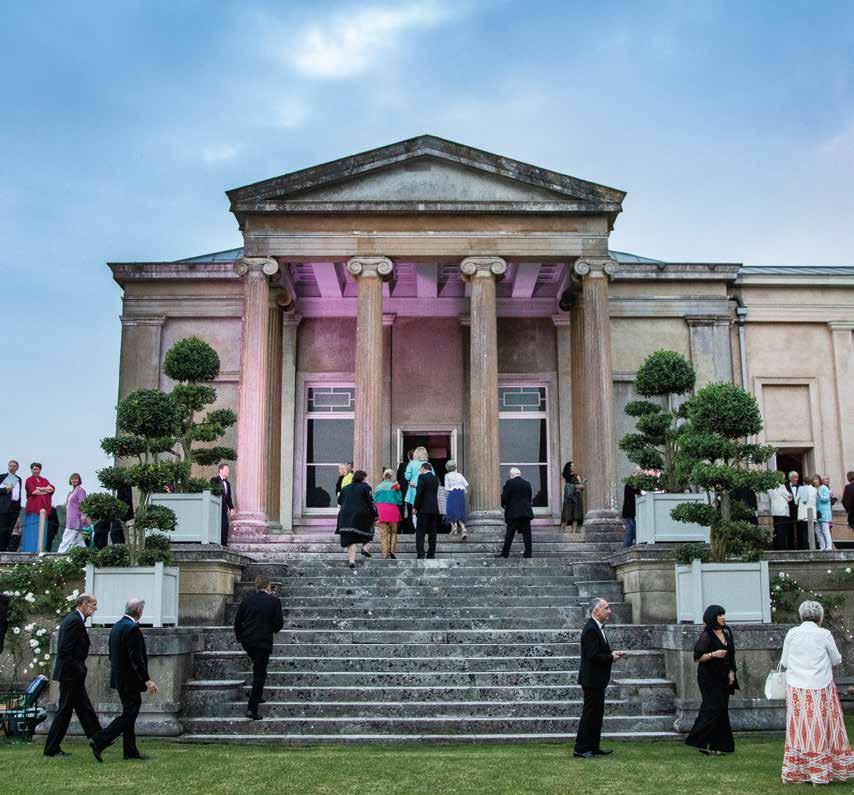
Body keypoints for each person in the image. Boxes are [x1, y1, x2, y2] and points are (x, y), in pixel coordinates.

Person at [780, 600, 853, 784]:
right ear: (820, 617)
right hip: (821, 686)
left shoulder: (792, 633)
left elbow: (785, 661)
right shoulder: (824, 634)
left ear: (801, 615)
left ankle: (798, 771)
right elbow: (836, 659)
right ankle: (822, 771)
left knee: (799, 728)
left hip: (797, 688)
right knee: (823, 726)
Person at [89, 598, 157, 762]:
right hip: (130, 679)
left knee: (129, 713)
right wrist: (147, 680)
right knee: (129, 714)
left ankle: (130, 751)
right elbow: (136, 659)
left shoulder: (117, 626)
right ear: (139, 611)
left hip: (120, 678)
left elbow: (112, 655)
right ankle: (100, 740)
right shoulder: (132, 628)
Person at [43, 593, 102, 757]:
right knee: (65, 711)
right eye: (93, 605)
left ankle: (99, 739)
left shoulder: (74, 619)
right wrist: (79, 668)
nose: (95, 608)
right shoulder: (74, 621)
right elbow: (64, 650)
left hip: (71, 673)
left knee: (83, 708)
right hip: (70, 674)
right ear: (83, 604)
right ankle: (52, 748)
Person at [574, 598, 625, 758]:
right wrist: (611, 657)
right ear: (596, 611)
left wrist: (611, 654)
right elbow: (593, 656)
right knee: (590, 714)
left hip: (597, 680)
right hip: (591, 680)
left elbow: (598, 652)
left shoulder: (596, 627)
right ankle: (581, 748)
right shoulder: (591, 629)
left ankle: (593, 746)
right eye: (606, 608)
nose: (609, 611)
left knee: (596, 715)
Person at [685, 605, 737, 756]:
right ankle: (699, 740)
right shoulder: (706, 635)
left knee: (722, 709)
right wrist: (714, 654)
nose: (723, 618)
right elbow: (697, 657)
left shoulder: (727, 632)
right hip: (709, 677)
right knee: (712, 707)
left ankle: (719, 745)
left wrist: (732, 672)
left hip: (724, 676)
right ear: (712, 618)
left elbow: (731, 655)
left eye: (723, 614)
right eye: (719, 615)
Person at [233, 574, 284, 720]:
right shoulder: (274, 601)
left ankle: (257, 695)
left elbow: (237, 622)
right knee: (259, 674)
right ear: (268, 586)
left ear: (256, 586)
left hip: (248, 641)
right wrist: (271, 629)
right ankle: (252, 709)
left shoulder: (247, 600)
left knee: (259, 668)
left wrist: (240, 638)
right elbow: (279, 623)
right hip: (263, 642)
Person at [336, 470, 376, 571]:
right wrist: (375, 514)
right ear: (363, 478)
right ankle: (365, 547)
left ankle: (352, 561)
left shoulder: (345, 488)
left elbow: (339, 501)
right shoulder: (365, 487)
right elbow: (370, 502)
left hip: (345, 516)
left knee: (351, 539)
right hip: (360, 515)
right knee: (369, 529)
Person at [497, 467, 534, 559]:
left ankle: (505, 554)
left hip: (513, 513)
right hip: (526, 513)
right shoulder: (527, 483)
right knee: (527, 535)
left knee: (509, 535)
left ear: (512, 475)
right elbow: (529, 498)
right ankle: (528, 554)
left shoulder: (509, 483)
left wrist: (505, 505)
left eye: (510, 475)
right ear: (519, 474)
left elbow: (505, 498)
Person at [22, 462, 54, 552]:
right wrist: (45, 490)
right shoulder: (29, 480)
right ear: (31, 470)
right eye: (34, 469)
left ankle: (40, 550)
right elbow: (34, 492)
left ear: (40, 470)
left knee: (42, 530)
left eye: (38, 469)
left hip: (44, 508)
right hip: (33, 508)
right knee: (32, 531)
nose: (36, 471)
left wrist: (40, 488)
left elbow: (51, 489)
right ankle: (29, 550)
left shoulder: (44, 480)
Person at [374, 469, 403, 559]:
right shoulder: (395, 486)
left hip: (382, 511)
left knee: (383, 534)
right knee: (393, 532)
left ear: (384, 476)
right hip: (393, 510)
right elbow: (399, 501)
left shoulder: (378, 487)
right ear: (392, 476)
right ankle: (392, 551)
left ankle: (384, 554)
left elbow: (374, 499)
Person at [413, 462, 440, 560]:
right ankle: (431, 554)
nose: (420, 471)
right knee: (432, 533)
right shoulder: (435, 479)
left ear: (424, 468)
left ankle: (421, 554)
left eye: (420, 469)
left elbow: (419, 493)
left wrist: (415, 507)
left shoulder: (422, 477)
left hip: (423, 509)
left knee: (420, 533)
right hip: (434, 509)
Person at [57, 473, 87, 554]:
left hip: (75, 519)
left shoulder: (80, 491)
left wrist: (83, 516)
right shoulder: (71, 492)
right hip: (70, 518)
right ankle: (85, 555)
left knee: (67, 537)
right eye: (72, 479)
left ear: (79, 480)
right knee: (79, 540)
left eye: (76, 479)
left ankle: (59, 555)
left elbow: (83, 504)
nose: (74, 480)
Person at [210, 462, 235, 546]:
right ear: (220, 470)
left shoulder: (228, 484)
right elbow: (212, 492)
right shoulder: (214, 480)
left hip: (224, 509)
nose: (228, 471)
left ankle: (224, 544)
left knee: (225, 526)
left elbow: (229, 498)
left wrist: (231, 508)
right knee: (216, 525)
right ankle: (215, 543)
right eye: (226, 470)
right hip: (216, 507)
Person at [0, 460, 23, 552]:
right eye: (10, 466)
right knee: (2, 529)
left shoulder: (19, 479)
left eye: (14, 466)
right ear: (8, 466)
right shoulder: (2, 477)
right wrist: (6, 489)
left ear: (17, 468)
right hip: (4, 507)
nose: (12, 467)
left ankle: (6, 549)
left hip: (15, 507)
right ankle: (1, 549)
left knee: (10, 530)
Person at [405, 447, 429, 529]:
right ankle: (423, 528)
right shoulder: (428, 464)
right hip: (425, 490)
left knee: (414, 509)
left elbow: (407, 477)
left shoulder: (411, 464)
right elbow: (432, 477)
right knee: (424, 509)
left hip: (413, 489)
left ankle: (417, 528)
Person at [443, 460, 468, 540]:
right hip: (460, 494)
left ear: (447, 468)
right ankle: (463, 528)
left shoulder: (447, 475)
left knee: (450, 510)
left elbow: (446, 488)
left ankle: (453, 526)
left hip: (452, 493)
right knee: (460, 510)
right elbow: (466, 484)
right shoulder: (459, 475)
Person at [784, 471, 807, 549]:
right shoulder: (785, 487)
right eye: (794, 477)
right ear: (790, 478)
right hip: (789, 511)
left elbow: (804, 499)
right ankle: (791, 547)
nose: (796, 479)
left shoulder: (801, 487)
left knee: (800, 529)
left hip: (799, 511)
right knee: (789, 529)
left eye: (797, 477)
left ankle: (801, 547)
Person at [768, 482, 792, 550]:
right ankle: (782, 547)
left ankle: (776, 547)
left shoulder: (770, 486)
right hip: (782, 511)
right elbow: (789, 498)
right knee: (782, 531)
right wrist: (790, 494)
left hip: (774, 511)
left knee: (776, 530)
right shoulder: (781, 485)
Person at [560, 461, 584, 531]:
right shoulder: (564, 476)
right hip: (568, 498)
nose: (573, 467)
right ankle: (561, 532)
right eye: (571, 466)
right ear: (568, 467)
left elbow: (582, 488)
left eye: (574, 466)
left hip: (576, 498)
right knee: (566, 516)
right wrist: (574, 486)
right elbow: (563, 487)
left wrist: (580, 487)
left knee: (575, 516)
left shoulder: (577, 476)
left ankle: (573, 532)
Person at [815, 475, 834, 551]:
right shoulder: (815, 488)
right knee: (817, 530)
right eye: (814, 480)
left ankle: (829, 546)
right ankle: (822, 546)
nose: (815, 481)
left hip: (824, 512)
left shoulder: (824, 488)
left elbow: (826, 499)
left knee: (825, 530)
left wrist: (819, 495)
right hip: (818, 512)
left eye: (816, 479)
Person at [621, 483, 640, 548]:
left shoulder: (630, 485)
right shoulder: (629, 485)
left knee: (629, 529)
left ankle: (626, 545)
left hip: (630, 512)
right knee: (632, 528)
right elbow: (634, 494)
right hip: (630, 512)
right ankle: (635, 542)